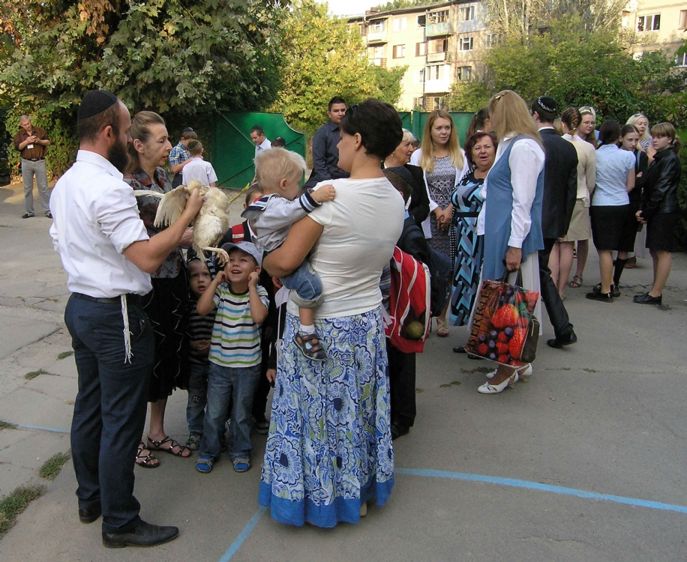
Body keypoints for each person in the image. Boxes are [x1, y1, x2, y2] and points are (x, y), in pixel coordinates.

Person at [49, 90, 202, 547]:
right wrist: (187, 218)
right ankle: (119, 521)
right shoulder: (109, 187)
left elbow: (61, 239)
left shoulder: (67, 183)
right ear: (108, 133)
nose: (130, 136)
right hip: (115, 314)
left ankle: (91, 499)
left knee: (90, 407)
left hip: (82, 305)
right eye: (124, 128)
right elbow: (147, 258)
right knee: (120, 419)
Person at [259, 99, 405, 527]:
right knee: (355, 413)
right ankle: (356, 495)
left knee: (315, 416)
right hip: (366, 322)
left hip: (321, 325)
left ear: (357, 140)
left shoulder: (333, 199)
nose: (336, 143)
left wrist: (266, 261)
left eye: (341, 136)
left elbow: (283, 262)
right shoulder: (395, 197)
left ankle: (318, 500)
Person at [125, 111, 194, 465]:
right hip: (144, 283)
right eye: (162, 140)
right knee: (143, 361)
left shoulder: (165, 177)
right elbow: (136, 239)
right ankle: (133, 438)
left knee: (167, 356)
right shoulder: (126, 186)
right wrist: (178, 235)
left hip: (173, 277)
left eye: (168, 139)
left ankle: (156, 431)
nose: (170, 146)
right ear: (139, 144)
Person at [475, 90, 544, 394]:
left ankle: (507, 366)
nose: (489, 120)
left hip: (510, 236)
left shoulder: (523, 147)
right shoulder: (511, 144)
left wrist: (514, 245)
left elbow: (523, 202)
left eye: (493, 114)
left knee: (508, 303)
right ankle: (516, 361)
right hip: (502, 233)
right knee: (506, 299)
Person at [244, 148, 336, 360]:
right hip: (279, 253)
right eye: (297, 184)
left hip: (279, 254)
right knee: (311, 287)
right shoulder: (273, 206)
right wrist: (316, 197)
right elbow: (292, 210)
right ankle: (306, 332)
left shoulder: (268, 203)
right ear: (284, 184)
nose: (299, 189)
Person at [195, 241, 269, 473]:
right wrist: (215, 282)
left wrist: (253, 287)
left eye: (243, 260)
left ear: (256, 270)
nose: (235, 264)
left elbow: (259, 317)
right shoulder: (222, 291)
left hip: (248, 366)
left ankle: (240, 450)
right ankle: (209, 450)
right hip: (219, 364)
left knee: (241, 413)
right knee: (214, 413)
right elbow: (202, 309)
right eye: (231, 261)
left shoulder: (260, 293)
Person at [410, 109, 470, 336]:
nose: (444, 132)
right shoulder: (418, 156)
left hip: (453, 220)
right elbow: (419, 187)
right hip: (430, 220)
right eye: (439, 128)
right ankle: (426, 316)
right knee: (430, 270)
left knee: (450, 269)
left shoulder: (460, 155)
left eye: (447, 127)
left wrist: (450, 209)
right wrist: (436, 210)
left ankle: (443, 316)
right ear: (430, 131)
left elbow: (464, 185)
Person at [531, 97, 578, 349]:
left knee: (537, 273)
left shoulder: (532, 144)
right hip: (553, 222)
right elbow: (571, 191)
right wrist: (562, 225)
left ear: (535, 115)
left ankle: (561, 328)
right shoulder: (567, 147)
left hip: (532, 221)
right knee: (540, 272)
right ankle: (562, 328)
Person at [449, 131, 496, 335]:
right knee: (466, 284)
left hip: (483, 238)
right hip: (463, 240)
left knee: (482, 284)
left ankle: (482, 336)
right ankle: (473, 334)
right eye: (477, 148)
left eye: (487, 147)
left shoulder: (497, 177)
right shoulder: (468, 175)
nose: (482, 151)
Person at [586, 120, 635, 302]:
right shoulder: (628, 156)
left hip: (601, 203)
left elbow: (591, 181)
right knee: (614, 245)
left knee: (604, 249)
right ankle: (611, 282)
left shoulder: (595, 155)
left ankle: (606, 289)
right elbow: (631, 184)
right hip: (622, 202)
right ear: (618, 136)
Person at [634, 122, 681, 305]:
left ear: (669, 139)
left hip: (664, 211)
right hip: (660, 210)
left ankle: (656, 292)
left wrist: (646, 211)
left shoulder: (669, 159)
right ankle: (655, 289)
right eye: (653, 136)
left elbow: (660, 189)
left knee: (662, 251)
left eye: (660, 136)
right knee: (656, 251)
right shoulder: (662, 158)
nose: (655, 139)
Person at [551, 107, 596, 298]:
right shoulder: (588, 148)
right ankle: (561, 289)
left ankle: (551, 288)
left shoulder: (555, 144)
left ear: (563, 123)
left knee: (554, 245)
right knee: (568, 245)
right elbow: (591, 180)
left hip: (555, 199)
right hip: (579, 198)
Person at [185, 257, 215, 451]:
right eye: (195, 276)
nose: (201, 280)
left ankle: (216, 432)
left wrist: (213, 344)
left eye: (206, 275)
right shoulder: (187, 305)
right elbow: (183, 331)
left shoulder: (217, 304)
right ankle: (195, 432)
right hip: (194, 363)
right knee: (195, 400)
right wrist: (191, 343)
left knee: (217, 401)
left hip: (216, 362)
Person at [615, 124, 648, 288]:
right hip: (615, 203)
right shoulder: (613, 153)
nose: (634, 143)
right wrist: (634, 178)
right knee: (611, 243)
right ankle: (607, 278)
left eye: (636, 140)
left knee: (625, 244)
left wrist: (634, 180)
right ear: (621, 138)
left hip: (632, 204)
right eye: (630, 140)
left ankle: (615, 280)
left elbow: (642, 180)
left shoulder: (641, 156)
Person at [383, 128, 430, 225]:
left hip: (410, 230)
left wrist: (408, 218)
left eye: (412, 145)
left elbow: (424, 207)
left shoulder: (416, 172)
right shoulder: (376, 172)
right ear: (393, 148)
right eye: (407, 145)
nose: (412, 149)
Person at [304, 96, 349, 189]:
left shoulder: (353, 131)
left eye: (343, 110)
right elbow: (319, 163)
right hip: (326, 182)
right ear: (329, 114)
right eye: (336, 111)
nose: (340, 113)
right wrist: (331, 184)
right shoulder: (322, 133)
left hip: (349, 181)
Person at [14, 114, 51, 218]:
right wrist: (27, 141)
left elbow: (48, 141)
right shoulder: (19, 134)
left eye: (28, 123)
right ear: (21, 125)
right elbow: (18, 147)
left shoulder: (39, 131)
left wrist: (39, 141)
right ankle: (29, 211)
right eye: (25, 125)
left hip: (39, 161)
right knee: (27, 188)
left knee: (43, 187)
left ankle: (47, 210)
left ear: (30, 121)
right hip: (26, 162)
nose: (27, 126)